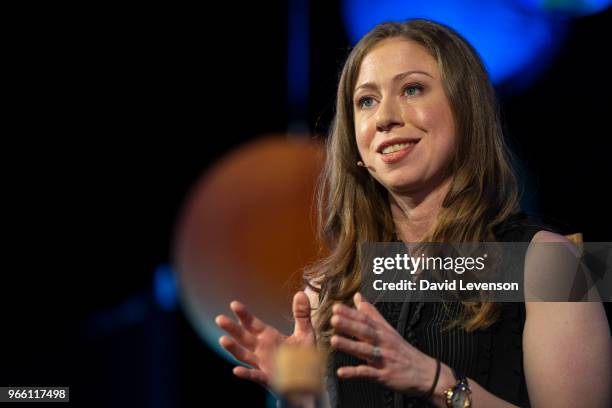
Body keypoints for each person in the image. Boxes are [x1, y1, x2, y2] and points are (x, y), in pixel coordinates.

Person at [215, 19, 611, 407]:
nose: (385, 117)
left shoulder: (556, 264)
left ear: (467, 110)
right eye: (366, 101)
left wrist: (435, 381)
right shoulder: (330, 286)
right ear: (356, 147)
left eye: (412, 89)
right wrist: (303, 398)